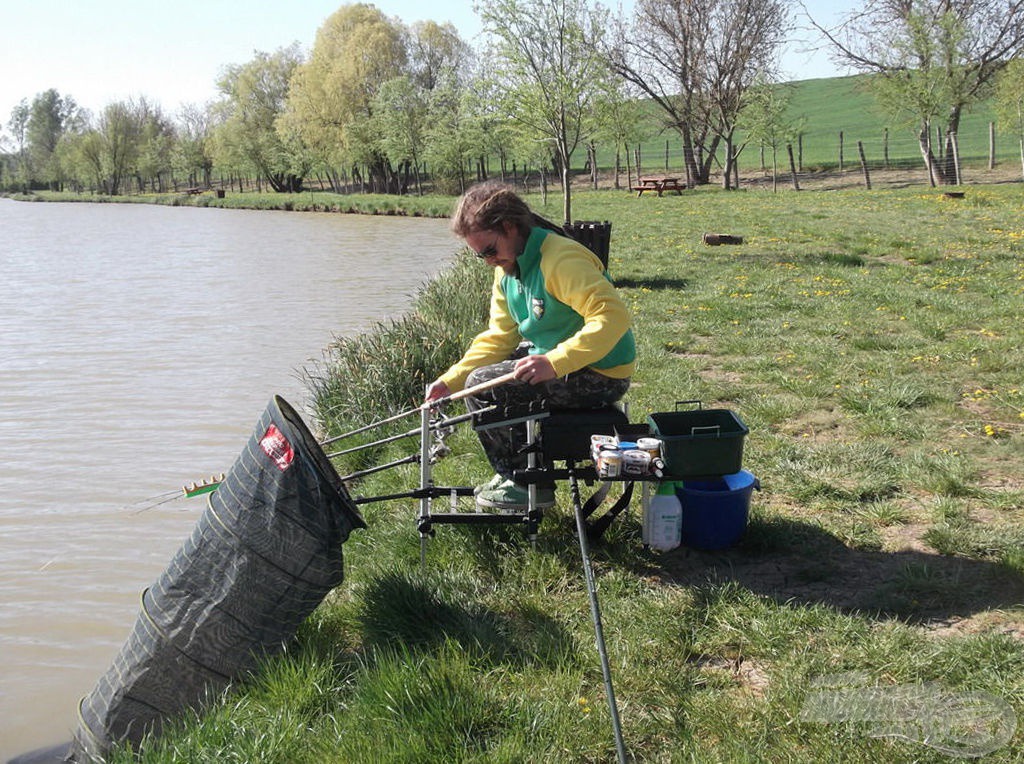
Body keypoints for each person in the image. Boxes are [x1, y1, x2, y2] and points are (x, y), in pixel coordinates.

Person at [425, 182, 636, 511]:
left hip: (603, 372)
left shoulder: (561, 259)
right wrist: (449, 382)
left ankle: (526, 484)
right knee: (477, 378)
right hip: (562, 360)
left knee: (481, 386)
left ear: (510, 227)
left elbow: (612, 316)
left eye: (489, 250)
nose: (487, 261)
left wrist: (555, 361)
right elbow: (499, 337)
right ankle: (517, 474)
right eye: (479, 255)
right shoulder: (507, 269)